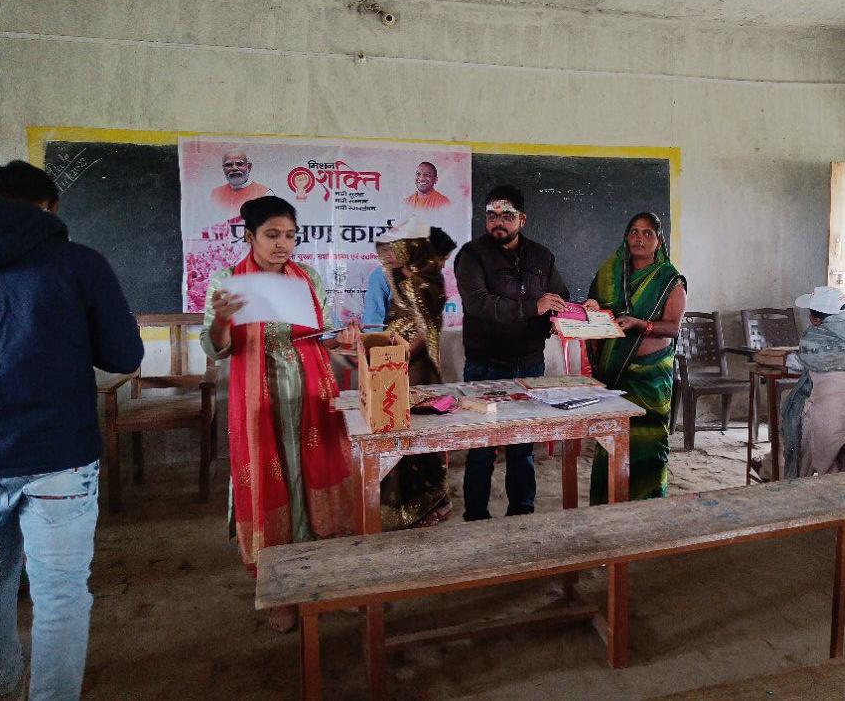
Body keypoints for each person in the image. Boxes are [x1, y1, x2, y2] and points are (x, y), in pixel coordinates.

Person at [0, 160, 143, 701]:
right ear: (53, 206)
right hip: (59, 454)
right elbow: (124, 356)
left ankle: (4, 683)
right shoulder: (80, 263)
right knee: (59, 597)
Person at [201, 196, 355, 632]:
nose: (282, 244)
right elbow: (215, 348)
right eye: (272, 234)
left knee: (314, 476)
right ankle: (280, 592)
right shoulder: (229, 281)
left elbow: (321, 336)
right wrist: (221, 322)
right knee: (275, 481)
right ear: (250, 236)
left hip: (311, 393)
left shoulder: (307, 278)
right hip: (259, 400)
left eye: (289, 235)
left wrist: (343, 337)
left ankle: (324, 578)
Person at [454, 185, 569, 520]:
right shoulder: (471, 255)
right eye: (491, 215)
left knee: (523, 445)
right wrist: (533, 307)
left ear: (522, 219)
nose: (498, 222)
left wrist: (581, 311)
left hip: (529, 365)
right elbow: (479, 304)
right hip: (485, 367)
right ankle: (476, 516)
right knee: (482, 446)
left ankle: (522, 513)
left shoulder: (542, 256)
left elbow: (559, 296)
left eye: (506, 215)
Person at [583, 213, 686, 503]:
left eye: (648, 233)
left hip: (651, 378)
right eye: (634, 232)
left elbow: (673, 328)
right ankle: (608, 504)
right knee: (611, 439)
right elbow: (598, 308)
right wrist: (591, 307)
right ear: (626, 237)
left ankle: (647, 506)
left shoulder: (669, 279)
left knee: (648, 442)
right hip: (616, 374)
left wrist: (640, 324)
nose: (640, 238)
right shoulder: (610, 273)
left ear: (659, 240)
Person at [371, 220, 458, 529]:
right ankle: (402, 508)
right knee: (395, 438)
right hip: (393, 364)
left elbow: (427, 329)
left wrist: (401, 348)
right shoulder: (399, 277)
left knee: (418, 440)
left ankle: (433, 502)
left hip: (417, 370)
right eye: (441, 257)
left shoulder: (425, 283)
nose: (442, 264)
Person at [781, 286, 845, 478]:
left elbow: (796, 364)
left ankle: (794, 474)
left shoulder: (813, 337)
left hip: (834, 421)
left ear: (816, 319)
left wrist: (782, 358)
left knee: (791, 405)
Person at [209, 150, 273, 215]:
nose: (234, 168)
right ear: (223, 168)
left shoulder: (265, 193)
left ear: (249, 167)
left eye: (239, 164)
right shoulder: (216, 194)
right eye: (229, 165)